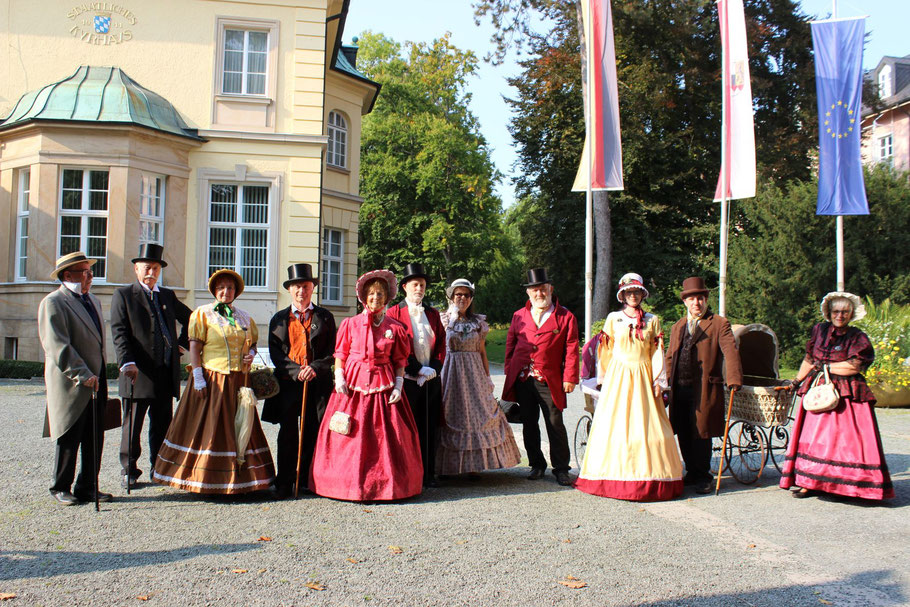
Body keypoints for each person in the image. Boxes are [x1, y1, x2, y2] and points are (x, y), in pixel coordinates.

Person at [153, 269, 275, 494]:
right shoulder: (202, 314)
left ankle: (242, 479)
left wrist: (250, 353)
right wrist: (197, 376)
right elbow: (195, 346)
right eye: (221, 288)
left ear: (236, 292)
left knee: (239, 425)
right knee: (208, 427)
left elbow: (253, 344)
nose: (225, 292)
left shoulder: (244, 317)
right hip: (212, 378)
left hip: (239, 381)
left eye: (230, 288)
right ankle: (203, 477)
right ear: (214, 290)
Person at [309, 270, 423, 501]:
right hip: (352, 383)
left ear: (387, 297)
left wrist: (399, 385)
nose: (375, 298)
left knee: (385, 434)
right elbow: (340, 353)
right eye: (371, 294)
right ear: (363, 296)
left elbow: (400, 360)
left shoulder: (395, 327)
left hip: (384, 381)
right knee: (350, 431)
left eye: (380, 294)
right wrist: (339, 377)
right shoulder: (350, 324)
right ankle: (342, 483)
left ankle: (386, 485)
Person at [575, 273, 684, 501]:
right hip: (619, 376)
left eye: (636, 292)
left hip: (644, 376)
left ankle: (651, 477)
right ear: (622, 295)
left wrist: (659, 381)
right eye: (629, 292)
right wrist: (603, 380)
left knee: (647, 424)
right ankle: (612, 476)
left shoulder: (652, 320)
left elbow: (657, 352)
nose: (633, 296)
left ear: (642, 294)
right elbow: (605, 351)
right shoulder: (613, 319)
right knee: (616, 424)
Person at [780, 292, 893, 500]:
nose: (840, 316)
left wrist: (827, 367)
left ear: (851, 314)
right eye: (836, 311)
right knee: (813, 440)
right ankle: (809, 482)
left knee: (846, 442)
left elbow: (855, 366)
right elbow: (809, 359)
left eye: (844, 312)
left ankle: (848, 486)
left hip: (847, 395)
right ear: (829, 313)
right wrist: (795, 382)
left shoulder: (858, 337)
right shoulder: (819, 331)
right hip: (819, 391)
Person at [110, 243, 192, 489]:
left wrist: (181, 345)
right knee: (132, 426)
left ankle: (160, 467)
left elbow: (192, 318)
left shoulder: (166, 295)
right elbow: (119, 332)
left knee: (162, 424)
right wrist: (127, 362)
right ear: (136, 269)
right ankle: (129, 469)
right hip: (138, 373)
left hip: (164, 373)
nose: (151, 273)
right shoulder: (124, 295)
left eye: (155, 268)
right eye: (146, 268)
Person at [38, 252, 113, 505]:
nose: (90, 276)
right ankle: (60, 486)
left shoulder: (92, 300)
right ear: (67, 275)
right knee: (69, 435)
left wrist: (99, 374)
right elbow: (58, 346)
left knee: (94, 437)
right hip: (72, 383)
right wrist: (83, 374)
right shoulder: (54, 302)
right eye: (85, 272)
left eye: (90, 271)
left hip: (96, 380)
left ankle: (88, 485)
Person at [262, 264, 337, 499]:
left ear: (312, 288)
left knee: (312, 430)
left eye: (305, 286)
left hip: (317, 384)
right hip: (288, 384)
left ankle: (306, 479)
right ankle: (284, 480)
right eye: (296, 286)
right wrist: (296, 371)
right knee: (288, 433)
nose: (301, 291)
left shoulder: (325, 317)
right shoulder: (279, 319)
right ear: (290, 290)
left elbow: (334, 350)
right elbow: (276, 354)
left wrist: (314, 368)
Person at [665, 277, 743, 495]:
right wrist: (664, 383)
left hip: (705, 388)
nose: (696, 303)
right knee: (682, 428)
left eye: (700, 298)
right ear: (685, 302)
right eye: (691, 299)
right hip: (679, 387)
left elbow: (730, 351)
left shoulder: (719, 323)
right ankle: (690, 471)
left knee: (701, 430)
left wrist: (734, 378)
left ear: (706, 300)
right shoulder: (678, 326)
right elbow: (670, 356)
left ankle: (703, 475)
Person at [502, 268, 579, 486]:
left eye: (542, 289)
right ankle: (536, 464)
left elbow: (572, 347)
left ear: (550, 289)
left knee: (555, 423)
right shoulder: (519, 315)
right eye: (534, 290)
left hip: (549, 379)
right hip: (524, 378)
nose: (539, 294)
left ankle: (562, 468)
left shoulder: (565, 316)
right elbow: (511, 344)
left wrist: (570, 377)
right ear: (528, 293)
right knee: (529, 423)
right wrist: (510, 371)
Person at [436, 279, 520, 477]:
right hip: (452, 372)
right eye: (458, 295)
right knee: (452, 413)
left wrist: (488, 377)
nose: (462, 298)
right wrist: (453, 318)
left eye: (466, 295)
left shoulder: (477, 323)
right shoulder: (444, 320)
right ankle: (447, 466)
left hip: (474, 373)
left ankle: (473, 464)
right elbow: (441, 345)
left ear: (471, 298)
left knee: (477, 415)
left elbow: (482, 351)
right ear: (451, 297)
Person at [386, 263, 445, 487]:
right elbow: (395, 347)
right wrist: (416, 368)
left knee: (429, 427)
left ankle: (428, 474)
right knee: (406, 428)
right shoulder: (393, 313)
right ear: (405, 287)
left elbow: (441, 343)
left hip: (430, 380)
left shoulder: (432, 313)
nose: (419, 288)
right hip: (407, 381)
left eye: (422, 285)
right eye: (415, 285)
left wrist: (435, 368)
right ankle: (407, 473)